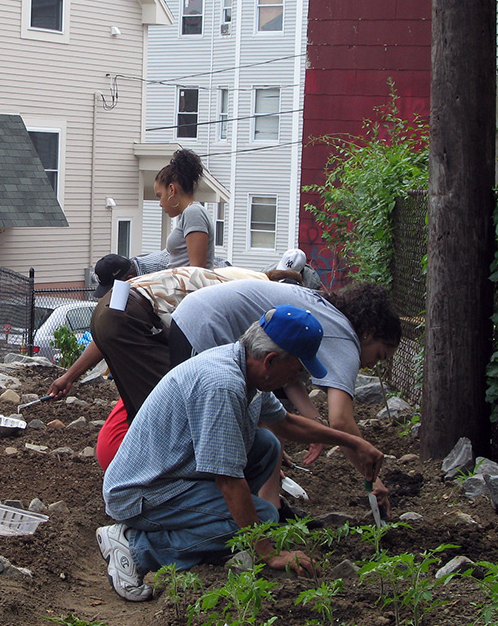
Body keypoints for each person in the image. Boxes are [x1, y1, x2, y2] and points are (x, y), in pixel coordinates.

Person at [98, 306, 384, 602]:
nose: (297, 378)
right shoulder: (223, 384)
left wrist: (353, 442)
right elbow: (229, 480)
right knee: (262, 515)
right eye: (297, 370)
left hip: (172, 473)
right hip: (142, 493)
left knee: (266, 445)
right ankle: (136, 548)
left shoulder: (244, 366)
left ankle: (209, 532)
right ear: (271, 360)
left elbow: (284, 422)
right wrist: (268, 552)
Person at [168, 278, 401, 513]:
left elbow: (286, 377)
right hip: (203, 324)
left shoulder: (328, 314)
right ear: (369, 333)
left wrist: (313, 420)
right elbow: (341, 420)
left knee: (268, 418)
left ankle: (271, 504)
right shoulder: (346, 341)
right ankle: (206, 511)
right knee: (219, 431)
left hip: (205, 313)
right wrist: (372, 478)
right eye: (379, 355)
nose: (372, 365)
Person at [49, 255, 268, 468]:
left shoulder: (241, 299)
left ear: (129, 277)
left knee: (172, 402)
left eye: (115, 288)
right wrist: (69, 377)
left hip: (188, 326)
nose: (113, 294)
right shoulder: (135, 291)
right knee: (171, 405)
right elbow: (109, 329)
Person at [154, 148, 214, 269]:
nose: (160, 203)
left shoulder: (194, 213)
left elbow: (197, 271)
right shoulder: (190, 213)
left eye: (160, 196)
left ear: (172, 189)